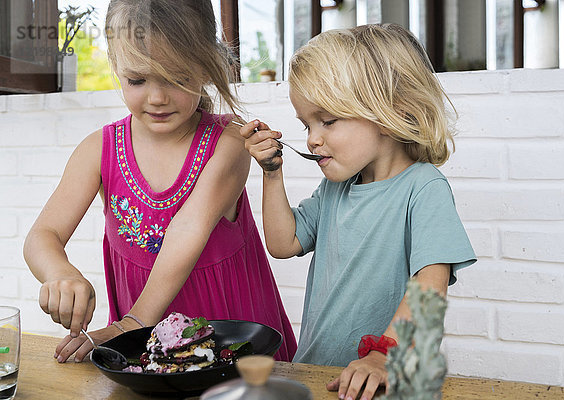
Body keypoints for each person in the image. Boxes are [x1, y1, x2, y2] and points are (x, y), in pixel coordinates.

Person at [23, 0, 296, 364]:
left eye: (178, 78)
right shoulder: (98, 151)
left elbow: (187, 231)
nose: (157, 98)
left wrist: (132, 322)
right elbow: (43, 236)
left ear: (205, 66)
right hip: (142, 350)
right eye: (137, 79)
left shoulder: (229, 143)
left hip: (232, 348)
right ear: (116, 68)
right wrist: (61, 274)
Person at [240, 24, 476, 400]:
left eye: (328, 120)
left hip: (384, 384)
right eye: (307, 124)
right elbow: (284, 243)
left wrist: (385, 356)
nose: (312, 138)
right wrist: (272, 172)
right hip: (317, 375)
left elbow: (430, 288)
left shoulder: (423, 188)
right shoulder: (336, 187)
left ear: (389, 111)